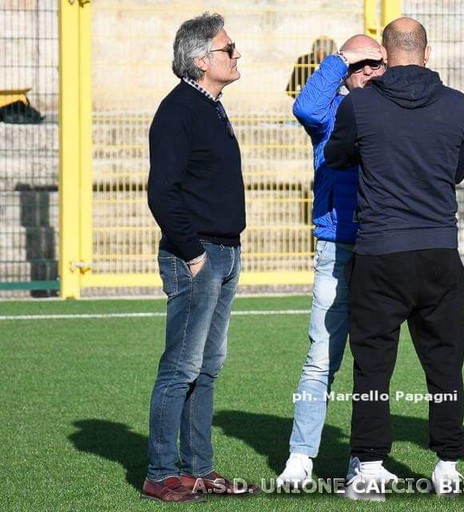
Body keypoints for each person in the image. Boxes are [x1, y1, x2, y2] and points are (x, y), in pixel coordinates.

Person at [325, 17, 464, 500]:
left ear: (385, 57)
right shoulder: (457, 105)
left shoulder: (361, 105)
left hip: (380, 252)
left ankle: (369, 467)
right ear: (427, 53)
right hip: (438, 251)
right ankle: (448, 465)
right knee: (446, 364)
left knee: (372, 365)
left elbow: (338, 156)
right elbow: (456, 170)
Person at [143, 12, 258, 503]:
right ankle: (161, 473)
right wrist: (192, 255)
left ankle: (199, 470)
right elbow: (161, 192)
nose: (236, 56)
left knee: (208, 367)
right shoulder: (178, 110)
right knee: (181, 367)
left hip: (225, 251)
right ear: (200, 60)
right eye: (228, 49)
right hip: (199, 255)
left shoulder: (211, 106)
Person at [275, 34, 386, 488]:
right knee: (321, 358)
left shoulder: (390, 107)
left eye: (374, 63)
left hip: (384, 246)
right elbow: (304, 108)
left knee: (373, 361)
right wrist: (341, 60)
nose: (367, 72)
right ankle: (301, 456)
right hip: (336, 246)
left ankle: (365, 457)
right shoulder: (331, 110)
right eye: (358, 65)